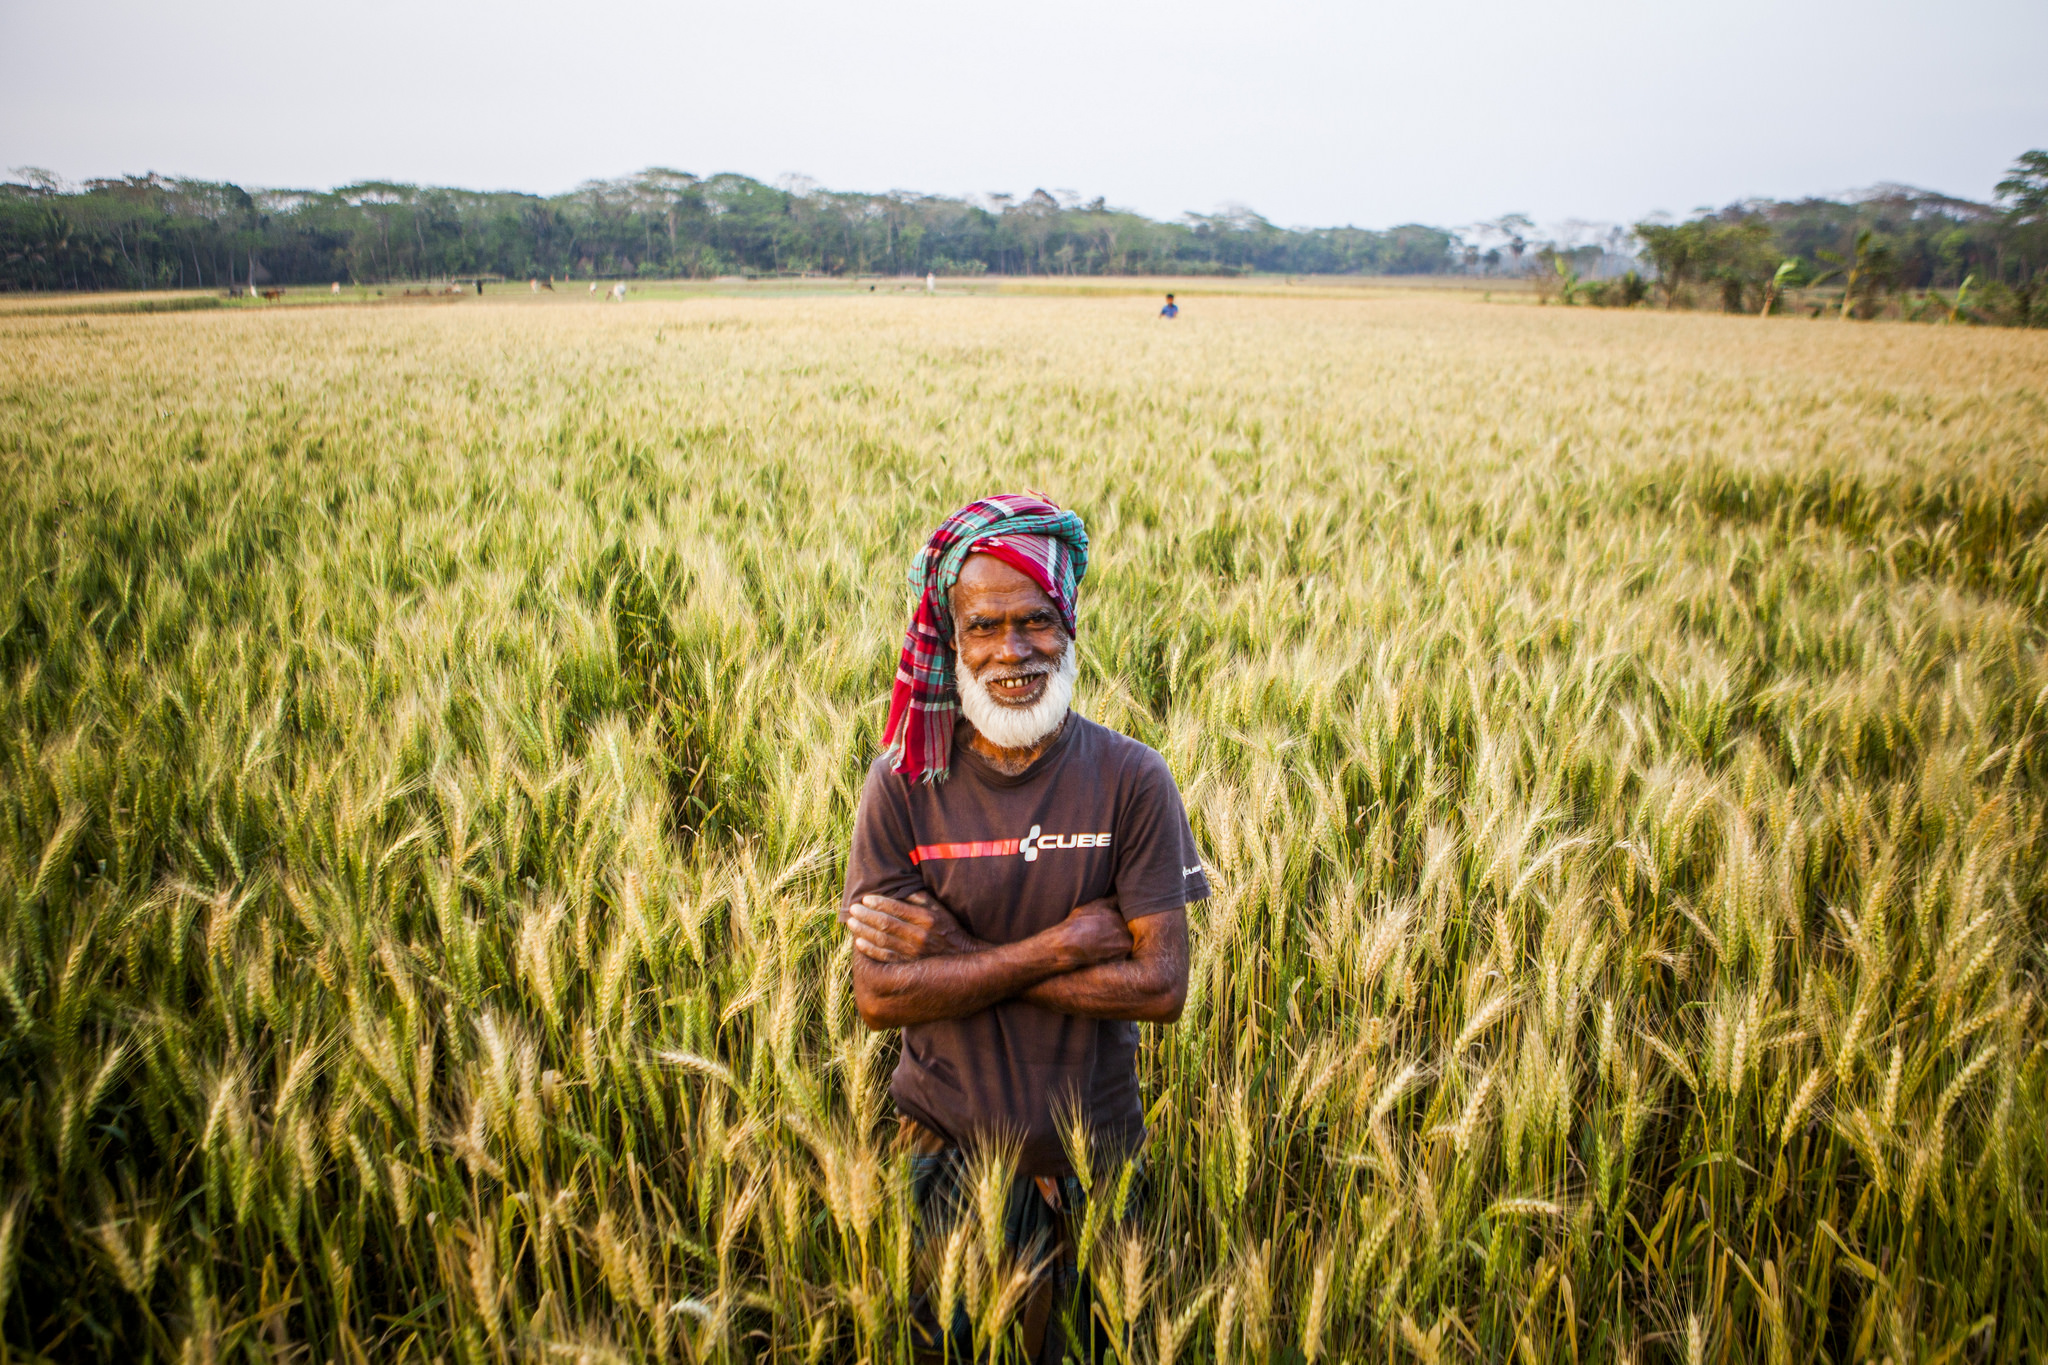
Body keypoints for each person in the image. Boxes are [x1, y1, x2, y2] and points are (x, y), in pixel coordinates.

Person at [842, 493, 1207, 1363]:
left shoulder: (1132, 780)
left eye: (1037, 620)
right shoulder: (903, 782)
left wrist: (956, 953)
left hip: (1098, 1174)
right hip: (945, 1168)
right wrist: (1063, 945)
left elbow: (1161, 987)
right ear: (953, 638)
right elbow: (880, 995)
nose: (1013, 651)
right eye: (986, 626)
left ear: (1069, 622)